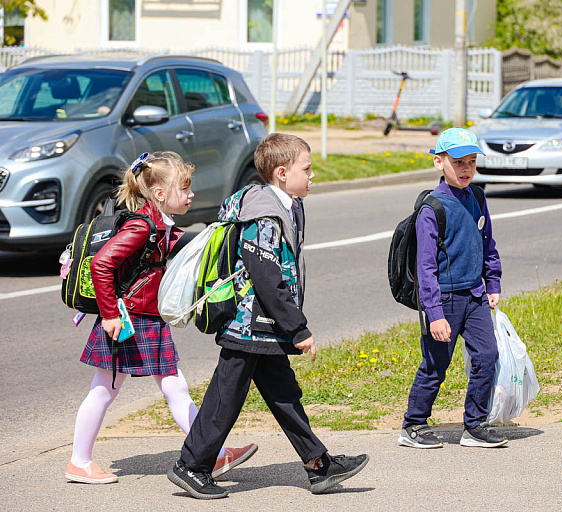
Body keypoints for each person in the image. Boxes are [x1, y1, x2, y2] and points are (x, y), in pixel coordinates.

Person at [167, 133, 369, 499]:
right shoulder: (263, 214)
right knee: (226, 397)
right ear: (281, 173)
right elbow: (266, 277)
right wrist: (298, 328)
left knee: (283, 393)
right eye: (306, 169)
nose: (312, 175)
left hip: (264, 325)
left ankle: (319, 465)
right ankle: (191, 466)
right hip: (247, 324)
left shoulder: (288, 206)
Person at [66, 152, 256, 485]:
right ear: (159, 194)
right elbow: (101, 264)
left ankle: (213, 454)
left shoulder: (158, 223)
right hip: (128, 319)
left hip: (144, 317)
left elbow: (188, 245)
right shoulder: (142, 226)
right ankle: (79, 462)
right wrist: (109, 315)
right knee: (105, 389)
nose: (191, 194)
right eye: (184, 188)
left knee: (173, 386)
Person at [399, 127, 506, 450]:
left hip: (475, 295)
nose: (466, 169)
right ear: (438, 162)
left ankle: (475, 425)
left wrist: (492, 281)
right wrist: (434, 314)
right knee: (435, 365)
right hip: (444, 300)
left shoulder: (477, 197)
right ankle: (413, 424)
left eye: (472, 162)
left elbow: (487, 243)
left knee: (487, 356)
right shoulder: (432, 208)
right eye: (458, 162)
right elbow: (426, 268)